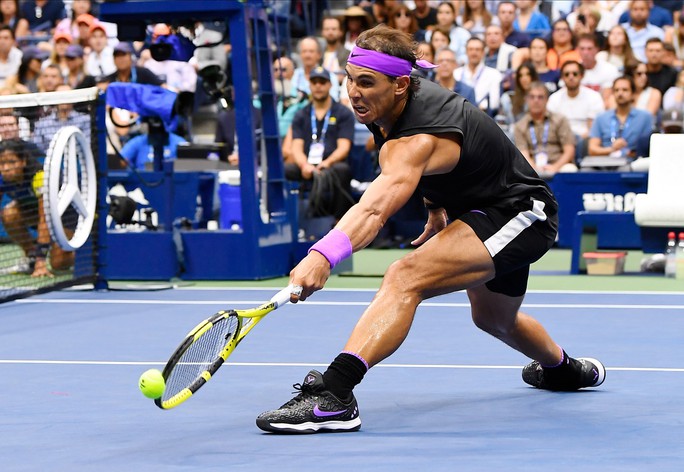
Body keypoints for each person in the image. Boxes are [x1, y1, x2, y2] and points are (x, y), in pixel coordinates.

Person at [256, 24, 606, 434]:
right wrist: (436, 206)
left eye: (366, 82)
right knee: (494, 320)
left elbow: (374, 209)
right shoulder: (383, 105)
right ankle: (563, 370)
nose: (353, 92)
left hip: (521, 213)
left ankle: (334, 394)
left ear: (401, 84)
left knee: (404, 277)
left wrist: (322, 254)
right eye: (349, 80)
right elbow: (443, 164)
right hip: (478, 209)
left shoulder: (417, 135)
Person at [285, 66, 355, 220]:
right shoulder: (301, 114)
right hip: (307, 165)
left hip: (331, 165)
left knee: (342, 170)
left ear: (330, 85)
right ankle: (290, 219)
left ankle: (339, 221)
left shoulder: (343, 113)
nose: (318, 86)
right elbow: (296, 147)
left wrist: (327, 163)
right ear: (309, 85)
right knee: (285, 170)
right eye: (314, 82)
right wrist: (304, 165)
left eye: (322, 82)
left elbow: (344, 147)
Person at [0, 138, 73, 277]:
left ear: (23, 161)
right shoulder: (2, 177)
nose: (6, 168)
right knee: (9, 213)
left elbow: (44, 220)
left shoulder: (39, 176)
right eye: (2, 163)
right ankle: (31, 257)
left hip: (65, 217)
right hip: (32, 212)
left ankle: (88, 256)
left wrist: (42, 262)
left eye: (12, 162)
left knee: (58, 263)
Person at [514, 81, 577, 178]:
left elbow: (569, 151)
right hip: (532, 167)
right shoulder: (520, 125)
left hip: (558, 166)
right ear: (526, 99)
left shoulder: (560, 120)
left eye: (540, 97)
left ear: (547, 100)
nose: (536, 100)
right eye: (532, 97)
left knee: (570, 169)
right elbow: (524, 154)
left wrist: (555, 167)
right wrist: (534, 169)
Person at [547, 60, 605, 161]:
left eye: (575, 73)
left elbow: (594, 129)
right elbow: (551, 128)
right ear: (562, 78)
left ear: (581, 76)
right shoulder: (554, 98)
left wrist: (575, 139)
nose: (571, 77)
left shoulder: (594, 97)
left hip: (584, 140)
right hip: (561, 140)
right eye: (567, 74)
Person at [587, 76, 654, 161]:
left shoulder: (645, 117)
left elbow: (648, 147)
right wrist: (612, 149)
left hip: (633, 162)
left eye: (625, 90)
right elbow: (592, 149)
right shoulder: (601, 118)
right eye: (616, 90)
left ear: (633, 94)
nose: (620, 93)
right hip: (605, 160)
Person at [454, 37, 502, 115]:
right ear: (466, 51)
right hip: (458, 114)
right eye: (471, 49)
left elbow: (494, 104)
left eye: (477, 49)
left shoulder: (494, 74)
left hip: (483, 115)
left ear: (483, 52)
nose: (474, 53)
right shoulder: (456, 73)